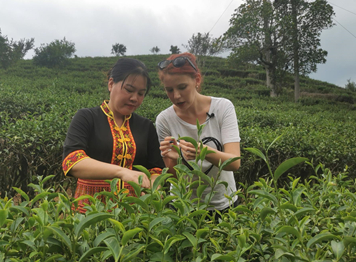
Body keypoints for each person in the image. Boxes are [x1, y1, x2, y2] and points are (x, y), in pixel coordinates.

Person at [62, 58, 165, 213]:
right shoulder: (87, 117)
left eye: (141, 93)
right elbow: (72, 161)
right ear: (111, 84)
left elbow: (156, 169)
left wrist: (151, 188)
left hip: (132, 212)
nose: (134, 98)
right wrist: (122, 172)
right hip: (89, 211)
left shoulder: (145, 126)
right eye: (129, 90)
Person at [156, 52, 241, 212]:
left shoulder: (223, 108)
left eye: (182, 87)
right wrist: (174, 161)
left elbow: (235, 163)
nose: (176, 96)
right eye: (169, 90)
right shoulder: (164, 120)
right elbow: (173, 177)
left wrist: (203, 152)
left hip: (224, 204)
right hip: (184, 206)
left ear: (197, 80)